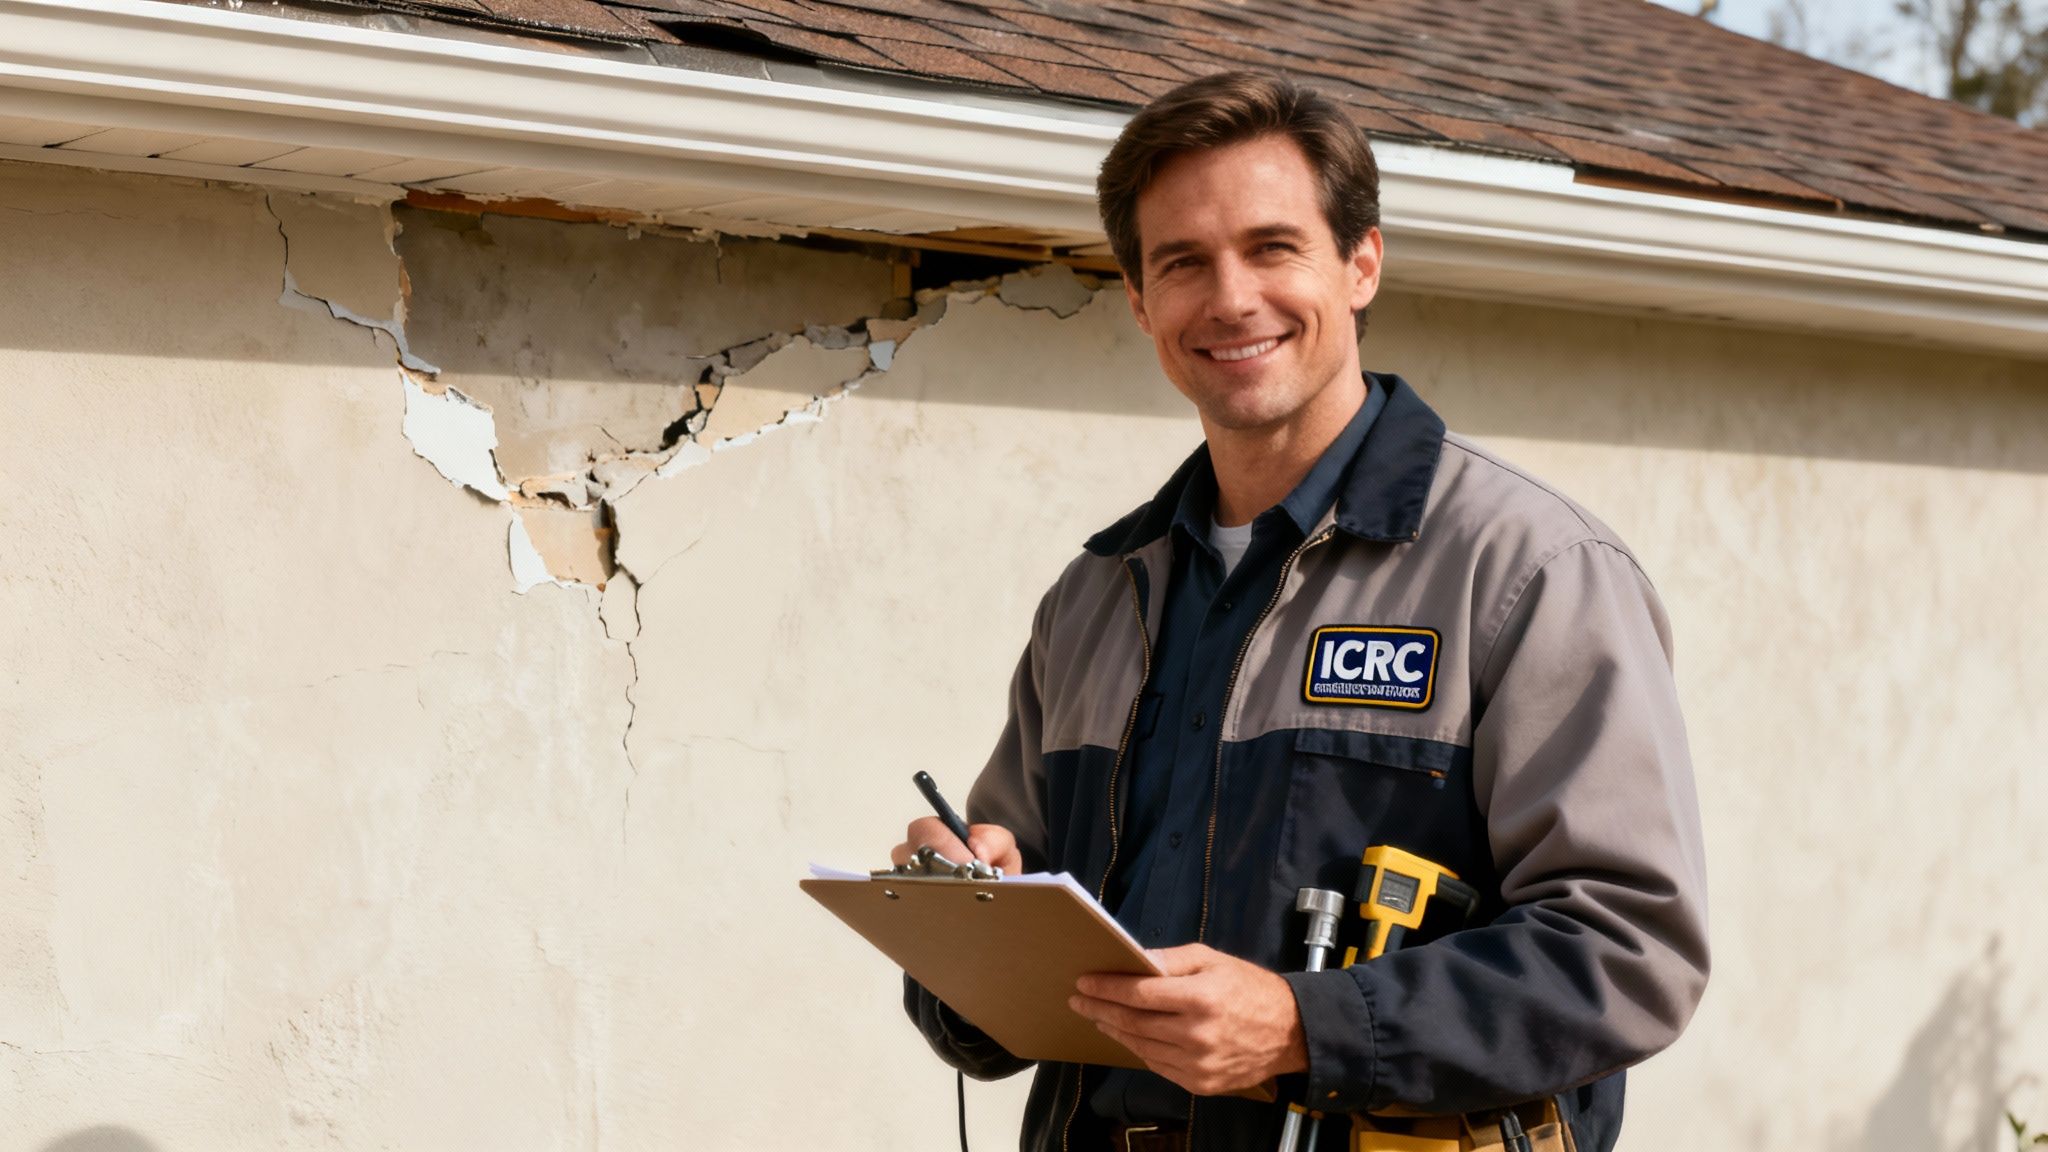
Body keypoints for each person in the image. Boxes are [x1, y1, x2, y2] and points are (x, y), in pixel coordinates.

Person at [892, 71, 1709, 1152]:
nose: (1229, 299)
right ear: (1139, 302)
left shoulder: (1527, 569)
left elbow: (1627, 952)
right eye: (1182, 262)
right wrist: (963, 918)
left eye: (1271, 247)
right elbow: (1004, 992)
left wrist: (1302, 1028)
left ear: (1360, 263)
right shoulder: (1095, 598)